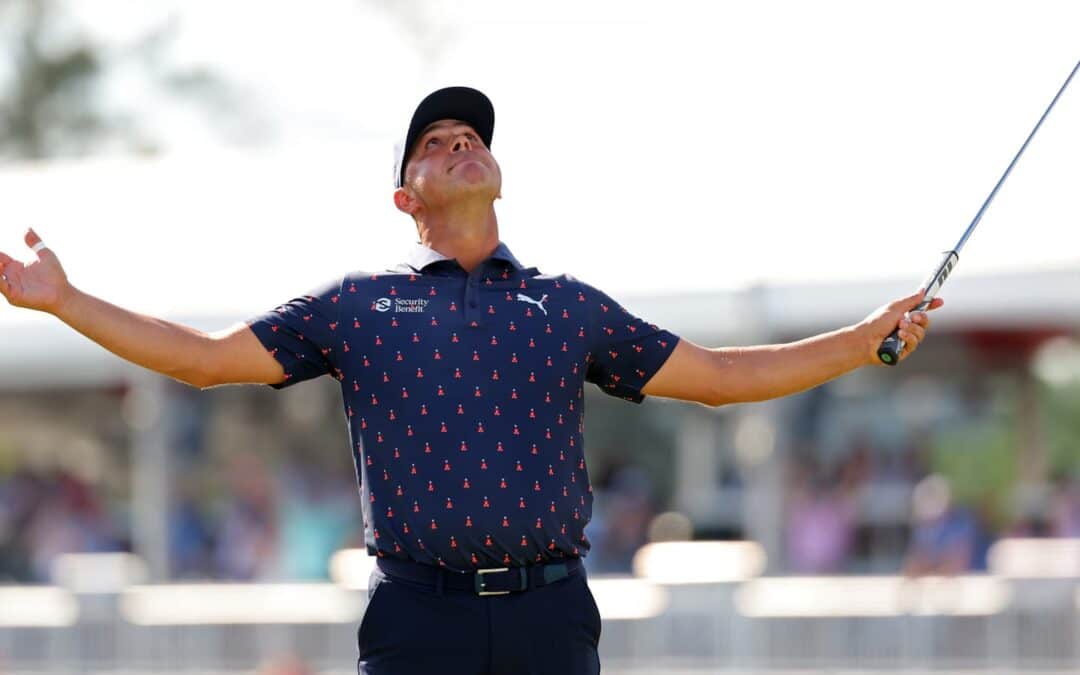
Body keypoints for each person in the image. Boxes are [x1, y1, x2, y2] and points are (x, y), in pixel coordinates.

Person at [0, 86, 941, 674]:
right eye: (438, 140)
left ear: (497, 173)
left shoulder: (568, 305)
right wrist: (66, 300)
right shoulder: (357, 305)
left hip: (549, 614)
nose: (461, 143)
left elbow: (726, 376)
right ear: (407, 197)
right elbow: (202, 360)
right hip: (417, 618)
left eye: (471, 135)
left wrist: (864, 340)